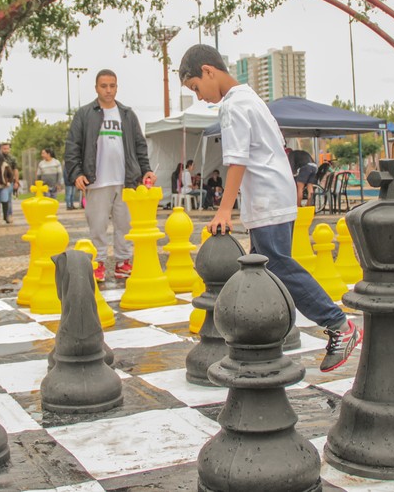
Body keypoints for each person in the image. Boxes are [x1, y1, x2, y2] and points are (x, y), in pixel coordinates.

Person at [178, 44, 361, 372]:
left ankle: (339, 325)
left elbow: (236, 161)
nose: (199, 96)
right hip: (275, 194)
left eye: (195, 88)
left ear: (208, 71)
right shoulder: (251, 98)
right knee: (267, 268)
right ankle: (273, 333)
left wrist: (223, 211)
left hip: (266, 198)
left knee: (276, 265)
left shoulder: (234, 107)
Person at [65, 69, 156, 282]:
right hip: (96, 181)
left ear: (117, 87)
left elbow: (139, 146)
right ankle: (98, 263)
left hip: (126, 181)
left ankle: (123, 262)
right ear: (96, 88)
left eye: (112, 86)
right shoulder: (85, 114)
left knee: (125, 225)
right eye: (104, 86)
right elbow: (72, 146)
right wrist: (76, 173)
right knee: (97, 226)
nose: (108, 90)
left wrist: (146, 170)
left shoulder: (126, 114)